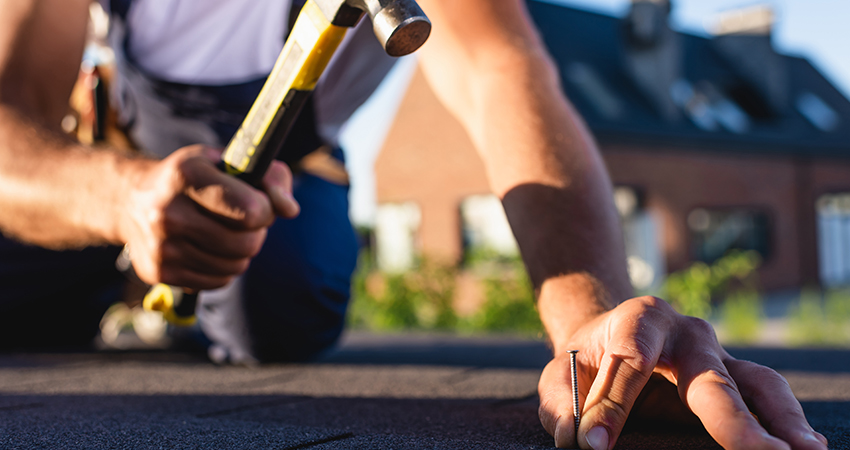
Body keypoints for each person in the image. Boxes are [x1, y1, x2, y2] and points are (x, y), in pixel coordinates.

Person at [0, 0, 827, 449]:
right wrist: (121, 198)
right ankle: (127, 267)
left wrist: (591, 327)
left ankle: (179, 270)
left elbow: (500, 68)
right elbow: (10, 121)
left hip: (286, 167)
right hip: (112, 161)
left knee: (282, 303)